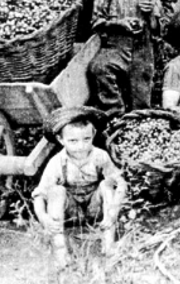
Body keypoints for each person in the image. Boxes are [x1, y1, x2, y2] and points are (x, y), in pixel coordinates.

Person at [33, 107, 127, 267]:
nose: (81, 146)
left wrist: (113, 211)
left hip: (94, 208)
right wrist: (43, 217)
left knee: (107, 184)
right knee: (56, 190)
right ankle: (60, 249)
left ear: (94, 135)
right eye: (73, 141)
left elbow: (121, 184)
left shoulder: (100, 156)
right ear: (61, 140)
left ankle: (108, 242)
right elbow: (39, 195)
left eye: (86, 139)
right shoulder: (57, 162)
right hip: (71, 210)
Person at [87, 0, 162, 118]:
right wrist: (118, 24)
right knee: (99, 68)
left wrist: (151, 12)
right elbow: (96, 22)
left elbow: (158, 29)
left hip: (142, 49)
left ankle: (138, 125)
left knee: (141, 99)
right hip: (115, 46)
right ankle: (114, 114)